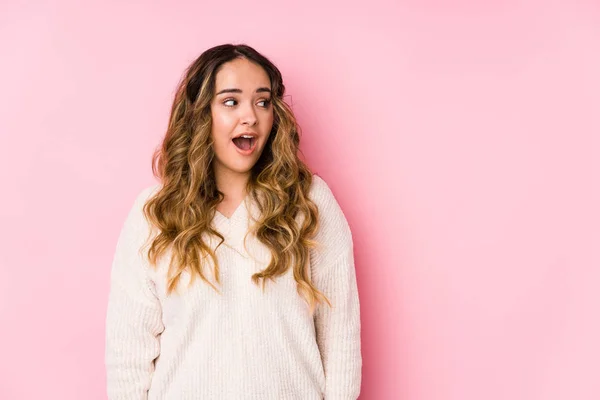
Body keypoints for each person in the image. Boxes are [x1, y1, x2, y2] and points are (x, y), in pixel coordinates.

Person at [104, 43, 362, 399]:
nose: (250, 117)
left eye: (263, 101)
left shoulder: (309, 202)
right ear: (200, 113)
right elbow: (128, 358)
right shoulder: (154, 214)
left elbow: (340, 337)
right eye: (230, 101)